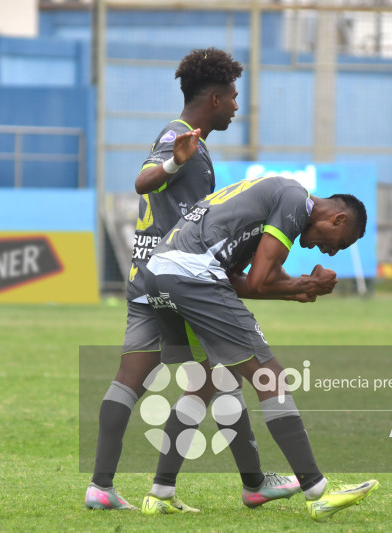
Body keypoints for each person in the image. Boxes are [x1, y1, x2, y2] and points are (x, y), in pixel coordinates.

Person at [85, 48, 299, 511]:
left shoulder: (190, 143)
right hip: (176, 279)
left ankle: (105, 486)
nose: (239, 107)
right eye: (235, 97)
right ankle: (252, 482)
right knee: (219, 379)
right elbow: (143, 181)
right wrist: (173, 163)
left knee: (143, 379)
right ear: (216, 99)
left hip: (146, 276)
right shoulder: (180, 138)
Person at [141, 175, 379, 521]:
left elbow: (238, 281)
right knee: (271, 377)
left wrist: (296, 289)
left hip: (161, 273)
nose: (328, 251)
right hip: (192, 275)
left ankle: (161, 491)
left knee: (210, 379)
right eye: (338, 244)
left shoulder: (267, 204)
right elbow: (258, 281)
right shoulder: (296, 200)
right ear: (337, 219)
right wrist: (306, 284)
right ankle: (316, 491)